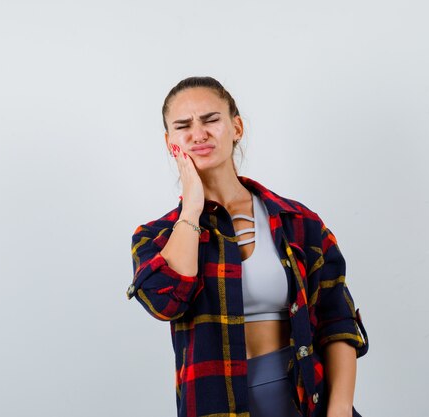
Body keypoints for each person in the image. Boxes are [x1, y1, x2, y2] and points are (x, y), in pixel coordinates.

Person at [126, 76, 369, 417]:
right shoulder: (156, 237)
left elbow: (337, 319)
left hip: (306, 402)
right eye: (184, 126)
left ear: (236, 127)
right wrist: (193, 206)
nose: (199, 134)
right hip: (215, 407)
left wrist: (340, 408)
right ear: (170, 143)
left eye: (211, 120)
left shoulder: (298, 222)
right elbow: (166, 303)